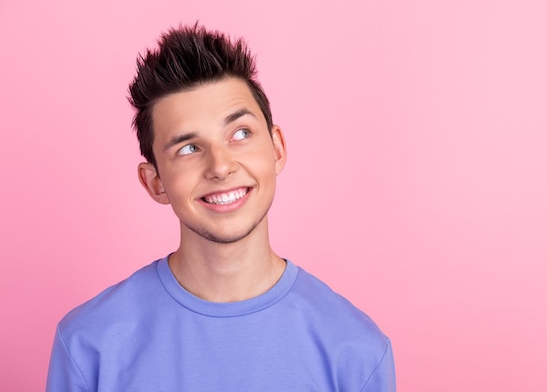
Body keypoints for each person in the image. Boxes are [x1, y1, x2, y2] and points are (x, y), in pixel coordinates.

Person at [46, 23, 396, 391]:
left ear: (277, 148)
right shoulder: (89, 345)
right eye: (188, 148)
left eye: (240, 134)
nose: (220, 166)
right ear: (155, 182)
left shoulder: (357, 352)